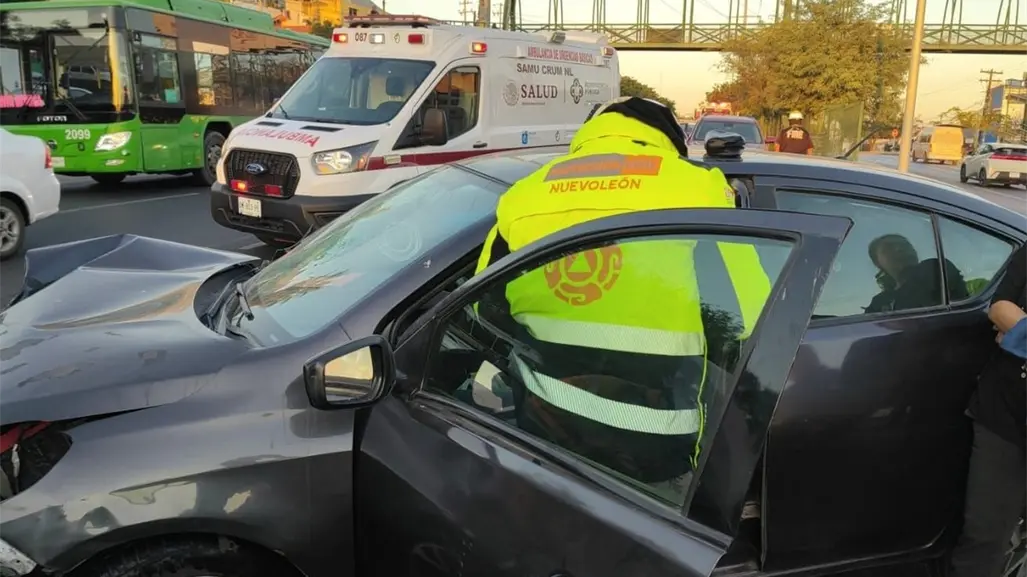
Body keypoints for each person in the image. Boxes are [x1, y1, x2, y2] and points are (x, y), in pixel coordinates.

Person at [473, 96, 772, 494]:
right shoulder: (698, 186)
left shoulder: (527, 192)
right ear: (668, 138)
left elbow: (482, 304)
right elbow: (750, 313)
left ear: (591, 132)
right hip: (658, 445)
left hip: (548, 427)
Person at [950, 242, 1027, 577]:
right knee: (983, 539)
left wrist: (1019, 335)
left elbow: (1012, 322)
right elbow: (1000, 308)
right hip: (1004, 415)